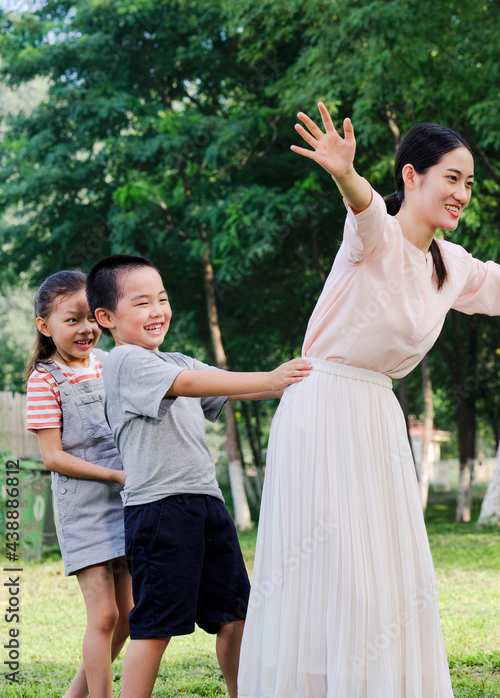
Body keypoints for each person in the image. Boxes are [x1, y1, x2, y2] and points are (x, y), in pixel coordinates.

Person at [237, 103, 500, 698]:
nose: (462, 193)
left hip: (377, 416)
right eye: (451, 179)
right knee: (340, 575)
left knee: (386, 578)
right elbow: (361, 206)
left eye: (469, 183)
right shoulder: (373, 237)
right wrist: (342, 171)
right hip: (323, 407)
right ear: (411, 177)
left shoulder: (450, 265)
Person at [85, 254, 312, 698]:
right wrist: (271, 374)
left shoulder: (178, 360)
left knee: (235, 616)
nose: (157, 311)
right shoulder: (124, 362)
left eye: (163, 299)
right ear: (106, 317)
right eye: (142, 303)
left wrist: (305, 373)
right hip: (159, 510)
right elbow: (187, 386)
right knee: (154, 625)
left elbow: (243, 386)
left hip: (207, 504)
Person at [24, 270, 132, 698]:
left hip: (126, 497)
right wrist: (114, 475)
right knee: (104, 615)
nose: (86, 328)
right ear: (45, 326)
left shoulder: (111, 363)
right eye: (72, 320)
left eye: (90, 317)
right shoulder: (44, 379)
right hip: (84, 506)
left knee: (130, 614)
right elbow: (53, 457)